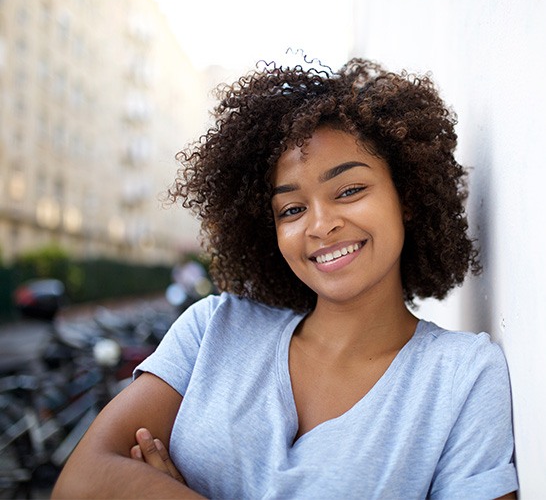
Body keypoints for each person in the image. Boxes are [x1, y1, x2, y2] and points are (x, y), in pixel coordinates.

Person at [52, 57, 518, 499]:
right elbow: (80, 481)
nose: (319, 224)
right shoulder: (213, 329)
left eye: (350, 189)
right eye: (291, 209)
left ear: (408, 197)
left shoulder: (463, 377)